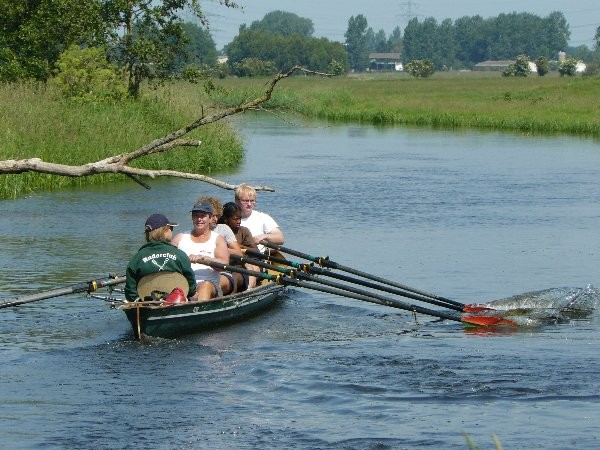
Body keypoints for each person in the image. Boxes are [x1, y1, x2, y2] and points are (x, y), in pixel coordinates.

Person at [124, 213, 197, 301]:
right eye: (171, 228)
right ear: (165, 231)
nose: (172, 231)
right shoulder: (180, 255)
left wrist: (136, 299)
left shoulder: (136, 259)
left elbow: (130, 292)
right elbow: (191, 286)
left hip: (146, 304)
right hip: (176, 301)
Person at [171, 202, 229, 301]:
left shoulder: (218, 239)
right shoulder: (179, 238)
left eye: (203, 216)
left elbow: (224, 264)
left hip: (209, 284)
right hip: (183, 283)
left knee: (204, 285)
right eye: (196, 216)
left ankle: (196, 310)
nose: (199, 219)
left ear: (210, 218)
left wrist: (203, 258)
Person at [195, 196, 243, 295]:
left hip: (220, 272)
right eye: (213, 216)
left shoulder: (223, 229)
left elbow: (239, 253)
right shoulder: (194, 230)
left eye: (218, 216)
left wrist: (220, 249)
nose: (216, 219)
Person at [219, 201, 260, 290]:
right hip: (229, 265)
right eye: (235, 219)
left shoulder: (243, 231)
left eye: (240, 218)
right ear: (226, 219)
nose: (239, 222)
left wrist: (240, 247)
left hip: (246, 263)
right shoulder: (218, 231)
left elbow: (256, 252)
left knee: (241, 273)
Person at [234, 183, 284, 251]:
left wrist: (263, 236)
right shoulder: (229, 219)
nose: (249, 204)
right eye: (245, 201)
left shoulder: (262, 217)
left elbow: (280, 238)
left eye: (252, 201)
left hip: (258, 257)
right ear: (236, 201)